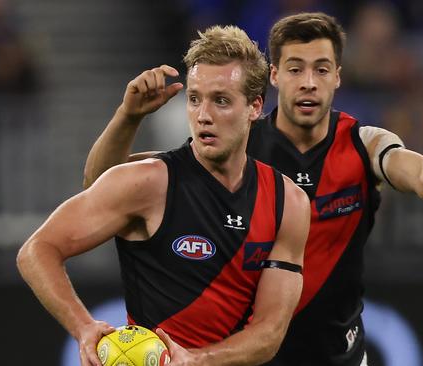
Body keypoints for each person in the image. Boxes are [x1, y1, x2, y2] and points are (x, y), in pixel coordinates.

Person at [83, 13, 423, 366]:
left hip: (336, 355)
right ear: (273, 77)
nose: (308, 83)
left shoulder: (364, 143)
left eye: (321, 70)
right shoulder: (233, 143)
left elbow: (420, 176)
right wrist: (127, 117)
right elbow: (102, 185)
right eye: (294, 69)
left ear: (338, 76)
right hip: (250, 356)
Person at [17, 25, 310, 366]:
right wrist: (83, 327)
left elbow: (269, 334)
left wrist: (196, 360)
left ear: (255, 106)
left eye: (221, 101)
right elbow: (37, 250)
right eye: (195, 98)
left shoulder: (287, 202)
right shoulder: (151, 182)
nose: (203, 116)